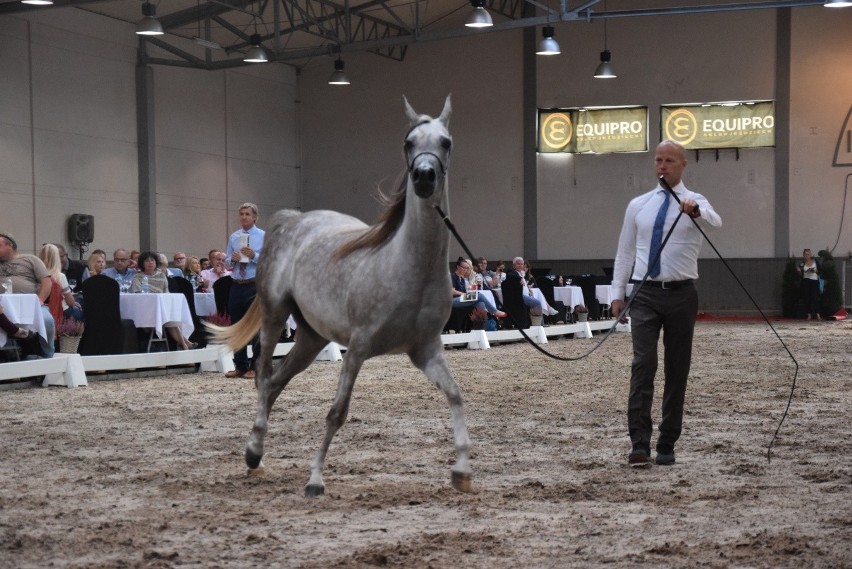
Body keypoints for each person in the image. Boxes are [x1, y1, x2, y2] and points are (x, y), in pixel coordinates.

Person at [610, 140, 722, 468]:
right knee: (643, 365)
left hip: (682, 294)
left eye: (669, 160)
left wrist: (696, 211)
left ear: (682, 164)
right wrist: (618, 293)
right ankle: (639, 443)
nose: (662, 165)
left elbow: (716, 221)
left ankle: (668, 442)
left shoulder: (695, 201)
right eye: (658, 160)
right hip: (644, 292)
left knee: (677, 367)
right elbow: (625, 251)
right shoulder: (638, 205)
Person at [224, 202, 265, 379]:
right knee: (237, 325)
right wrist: (231, 260)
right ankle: (240, 365)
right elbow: (225, 261)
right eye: (241, 214)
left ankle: (256, 366)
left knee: (256, 326)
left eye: (247, 214)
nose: (244, 217)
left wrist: (253, 256)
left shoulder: (263, 236)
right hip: (237, 283)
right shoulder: (234, 236)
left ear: (255, 217)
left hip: (254, 284)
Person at [0, 232, 55, 358]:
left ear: (9, 245)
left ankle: (49, 356)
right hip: (3, 308)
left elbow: (46, 282)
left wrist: (40, 300)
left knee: (47, 320)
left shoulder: (31, 259)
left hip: (30, 305)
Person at [131, 251, 196, 350]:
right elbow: (136, 295)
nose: (150, 263)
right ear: (142, 263)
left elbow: (166, 293)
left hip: (161, 310)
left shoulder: (161, 276)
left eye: (152, 260)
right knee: (170, 320)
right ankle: (186, 345)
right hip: (145, 312)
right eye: (147, 261)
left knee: (173, 320)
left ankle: (185, 345)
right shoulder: (137, 277)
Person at [38, 244, 83, 324]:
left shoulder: (37, 275)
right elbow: (70, 302)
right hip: (58, 311)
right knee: (77, 309)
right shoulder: (59, 276)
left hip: (40, 309)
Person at [796, 248, 821, 321]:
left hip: (814, 281)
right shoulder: (802, 263)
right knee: (807, 298)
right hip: (806, 281)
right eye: (805, 254)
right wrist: (798, 271)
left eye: (808, 254)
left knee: (815, 297)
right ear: (803, 255)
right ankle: (809, 315)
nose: (807, 256)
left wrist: (816, 271)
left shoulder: (815, 262)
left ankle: (818, 314)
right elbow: (800, 275)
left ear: (811, 254)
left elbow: (821, 271)